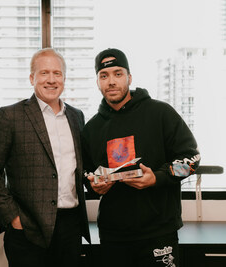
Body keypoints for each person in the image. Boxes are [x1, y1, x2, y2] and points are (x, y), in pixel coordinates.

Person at [81, 48, 201, 267]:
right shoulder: (91, 129)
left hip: (159, 232)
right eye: (104, 76)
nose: (111, 82)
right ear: (97, 81)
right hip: (113, 236)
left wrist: (158, 178)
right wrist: (93, 185)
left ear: (129, 77)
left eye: (118, 74)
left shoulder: (161, 113)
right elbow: (85, 171)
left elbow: (192, 161)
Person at [0, 48, 90, 267]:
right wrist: (13, 217)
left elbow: (81, 167)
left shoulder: (76, 116)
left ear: (64, 79)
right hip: (28, 229)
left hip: (70, 227)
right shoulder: (10, 116)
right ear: (32, 78)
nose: (51, 80)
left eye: (57, 74)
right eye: (44, 73)